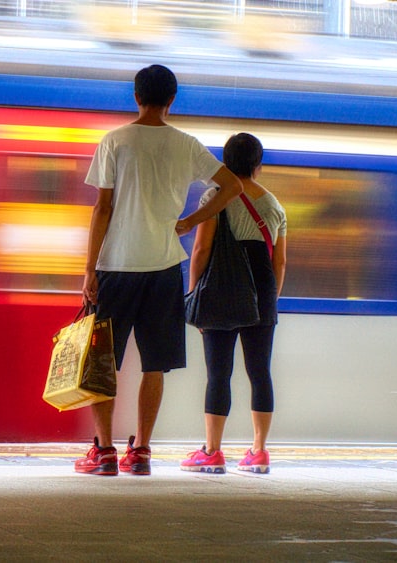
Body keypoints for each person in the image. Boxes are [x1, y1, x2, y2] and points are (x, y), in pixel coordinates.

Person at [75, 64, 244, 476]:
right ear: (172, 100)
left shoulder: (115, 141)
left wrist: (89, 270)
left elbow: (103, 208)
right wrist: (190, 220)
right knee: (155, 364)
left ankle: (104, 452)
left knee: (102, 363)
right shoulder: (186, 144)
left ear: (136, 96)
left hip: (116, 265)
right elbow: (233, 186)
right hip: (165, 266)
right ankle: (143, 451)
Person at [180, 132, 287, 474]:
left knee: (219, 374)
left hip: (221, 291)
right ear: (258, 166)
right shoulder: (274, 206)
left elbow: (201, 250)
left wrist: (195, 292)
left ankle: (212, 452)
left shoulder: (216, 196)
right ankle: (258, 451)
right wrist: (270, 298)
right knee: (259, 372)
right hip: (262, 292)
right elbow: (279, 262)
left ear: (225, 163)